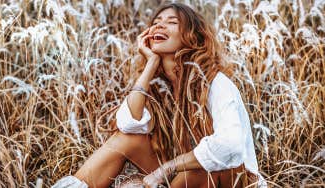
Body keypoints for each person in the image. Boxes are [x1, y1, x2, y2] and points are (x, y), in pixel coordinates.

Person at [53, 2, 265, 188]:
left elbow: (230, 145)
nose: (159, 25)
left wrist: (166, 169)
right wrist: (151, 64)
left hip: (230, 180)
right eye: (156, 21)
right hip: (183, 180)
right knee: (127, 139)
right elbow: (127, 124)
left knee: (204, 161)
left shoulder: (215, 84)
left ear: (192, 36)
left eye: (172, 22)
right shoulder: (159, 86)